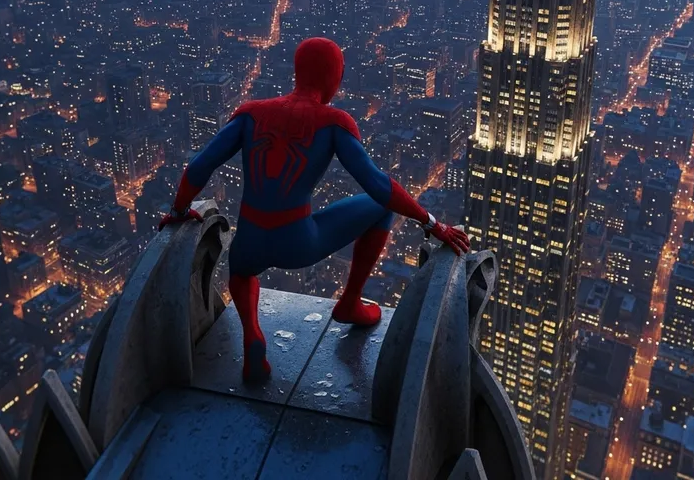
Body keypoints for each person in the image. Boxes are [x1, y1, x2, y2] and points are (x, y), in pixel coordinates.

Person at [160, 36, 470, 382]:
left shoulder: (251, 113)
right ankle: (350, 302)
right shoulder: (334, 122)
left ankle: (252, 335)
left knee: (243, 273)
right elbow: (379, 186)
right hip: (297, 241)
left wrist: (178, 210)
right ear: (333, 78)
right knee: (380, 209)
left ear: (297, 72)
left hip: (248, 242)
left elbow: (199, 166)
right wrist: (432, 224)